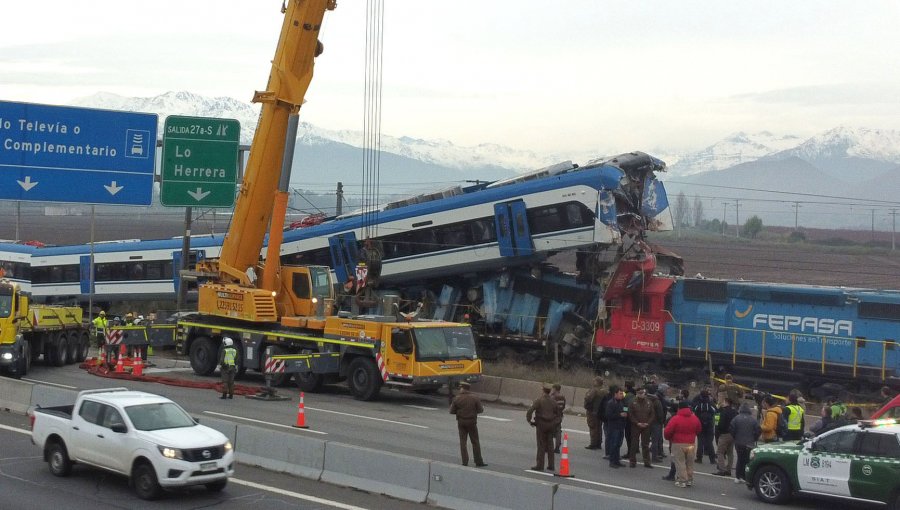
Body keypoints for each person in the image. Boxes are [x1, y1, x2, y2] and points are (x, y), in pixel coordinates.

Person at [664, 401, 702, 488]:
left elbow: (668, 431)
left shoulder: (675, 418)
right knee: (689, 462)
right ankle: (689, 479)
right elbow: (699, 429)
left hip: (678, 443)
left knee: (680, 462)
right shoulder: (694, 418)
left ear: (679, 408)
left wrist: (669, 438)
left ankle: (682, 480)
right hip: (691, 443)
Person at [449, 381, 486, 467]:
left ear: (462, 388)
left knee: (463, 442)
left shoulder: (457, 398)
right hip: (472, 422)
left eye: (460, 388)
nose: (460, 389)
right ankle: (478, 461)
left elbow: (451, 411)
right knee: (475, 442)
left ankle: (465, 461)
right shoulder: (475, 398)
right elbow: (480, 410)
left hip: (461, 422)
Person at [526, 384, 560, 471]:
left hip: (541, 425)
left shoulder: (539, 400)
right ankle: (551, 465)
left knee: (541, 445)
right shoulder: (553, 402)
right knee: (550, 445)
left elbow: (530, 411)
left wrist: (529, 420)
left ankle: (540, 465)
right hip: (551, 425)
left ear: (543, 391)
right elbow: (558, 415)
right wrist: (555, 423)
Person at [729, 402, 761, 484]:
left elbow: (731, 429)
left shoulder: (736, 418)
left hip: (738, 442)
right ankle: (744, 476)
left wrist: (735, 437)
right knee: (747, 460)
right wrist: (754, 438)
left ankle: (737, 476)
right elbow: (758, 430)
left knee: (740, 459)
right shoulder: (753, 419)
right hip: (749, 443)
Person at [627, 386, 656, 468]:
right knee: (634, 444)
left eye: (642, 393)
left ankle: (647, 462)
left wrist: (648, 423)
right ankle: (632, 461)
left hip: (646, 426)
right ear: (637, 394)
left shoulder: (649, 402)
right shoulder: (632, 402)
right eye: (640, 393)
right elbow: (630, 414)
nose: (641, 395)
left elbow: (652, 414)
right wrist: (637, 423)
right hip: (636, 426)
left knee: (645, 444)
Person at [691, 386, 718, 464]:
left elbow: (694, 412)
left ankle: (699, 458)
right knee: (709, 442)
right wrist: (716, 423)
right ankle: (712, 459)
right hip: (709, 425)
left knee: (700, 442)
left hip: (700, 424)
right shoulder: (711, 404)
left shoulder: (698, 405)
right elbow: (716, 412)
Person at [604, 386, 628, 468]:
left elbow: (625, 409)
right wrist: (619, 415)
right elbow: (608, 415)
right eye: (620, 394)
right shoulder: (611, 403)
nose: (621, 395)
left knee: (618, 444)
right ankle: (612, 461)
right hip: (614, 427)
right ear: (615, 394)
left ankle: (617, 460)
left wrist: (625, 413)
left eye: (622, 394)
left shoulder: (622, 402)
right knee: (613, 444)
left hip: (621, 426)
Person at [714, 397, 737, 476]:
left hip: (724, 434)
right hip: (732, 434)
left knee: (720, 452)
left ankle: (722, 469)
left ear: (726, 402)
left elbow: (720, 424)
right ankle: (728, 469)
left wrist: (719, 431)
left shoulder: (724, 411)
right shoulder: (734, 412)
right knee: (730, 453)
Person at [582, 376, 606, 450]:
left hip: (592, 411)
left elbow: (588, 398)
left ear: (597, 382)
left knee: (593, 427)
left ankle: (593, 444)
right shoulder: (604, 390)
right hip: (600, 411)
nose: (593, 382)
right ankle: (598, 443)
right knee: (598, 427)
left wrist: (586, 395)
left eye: (594, 381)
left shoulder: (594, 390)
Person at [550, 383, 567, 453]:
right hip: (559, 415)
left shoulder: (553, 397)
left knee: (549, 432)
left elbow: (550, 406)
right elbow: (563, 406)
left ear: (554, 389)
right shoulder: (563, 397)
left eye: (552, 388)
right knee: (558, 431)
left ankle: (548, 447)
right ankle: (557, 447)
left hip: (552, 416)